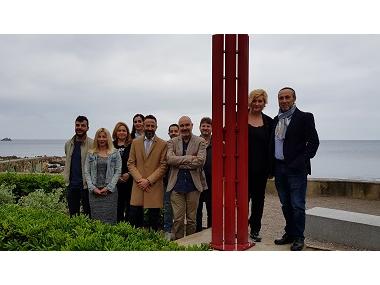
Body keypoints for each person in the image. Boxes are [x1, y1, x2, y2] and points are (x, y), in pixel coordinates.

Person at [271, 87, 319, 251]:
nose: (284, 100)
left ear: (294, 99)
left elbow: (314, 142)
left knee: (297, 204)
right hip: (279, 167)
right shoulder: (275, 120)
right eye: (281, 98)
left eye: (287, 97)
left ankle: (299, 237)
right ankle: (290, 233)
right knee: (285, 204)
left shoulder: (305, 117)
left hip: (296, 169)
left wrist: (302, 160)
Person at [167, 116, 207, 240]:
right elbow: (169, 159)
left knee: (191, 219)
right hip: (176, 185)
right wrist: (190, 158)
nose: (184, 128)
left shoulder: (200, 141)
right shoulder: (172, 142)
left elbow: (200, 162)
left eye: (187, 125)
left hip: (193, 185)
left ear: (192, 125)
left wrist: (179, 161)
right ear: (179, 127)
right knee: (178, 219)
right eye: (182, 126)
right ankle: (178, 243)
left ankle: (190, 243)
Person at [127, 115, 167, 231]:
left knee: (154, 221)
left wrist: (148, 181)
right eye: (147, 125)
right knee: (134, 219)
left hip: (153, 186)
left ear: (156, 127)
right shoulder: (135, 142)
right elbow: (131, 163)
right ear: (143, 126)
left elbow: (163, 165)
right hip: (138, 185)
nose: (150, 128)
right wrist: (141, 180)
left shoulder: (163, 144)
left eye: (152, 126)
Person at [247, 89, 274, 242]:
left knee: (259, 201)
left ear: (264, 103)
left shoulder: (269, 122)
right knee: (243, 200)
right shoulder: (239, 118)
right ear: (250, 102)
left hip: (261, 169)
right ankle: (241, 227)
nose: (257, 104)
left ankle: (255, 229)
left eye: (260, 101)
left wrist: (271, 169)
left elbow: (272, 147)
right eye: (254, 101)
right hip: (243, 169)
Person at [84, 128, 122, 224]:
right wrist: (92, 188)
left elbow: (118, 171)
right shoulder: (91, 153)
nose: (101, 139)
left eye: (104, 137)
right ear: (96, 138)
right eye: (99, 137)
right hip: (94, 193)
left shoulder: (115, 153)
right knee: (96, 222)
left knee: (110, 221)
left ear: (108, 138)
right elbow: (86, 172)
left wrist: (109, 188)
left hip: (110, 193)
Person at [64, 115, 93, 217]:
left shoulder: (93, 144)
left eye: (83, 125)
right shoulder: (68, 144)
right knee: (73, 215)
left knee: (88, 215)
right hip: (71, 185)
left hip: (87, 186)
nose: (79, 127)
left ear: (87, 128)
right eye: (77, 125)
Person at [112, 122, 133, 222]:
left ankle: (128, 227)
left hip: (129, 180)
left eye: (124, 130)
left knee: (129, 205)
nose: (121, 132)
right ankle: (118, 226)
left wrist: (129, 174)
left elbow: (136, 162)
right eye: (119, 130)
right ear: (116, 132)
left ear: (127, 133)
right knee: (117, 205)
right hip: (114, 181)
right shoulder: (111, 145)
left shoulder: (132, 145)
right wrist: (116, 177)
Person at [163, 123, 180, 240]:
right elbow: (166, 161)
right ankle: (167, 232)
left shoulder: (182, 146)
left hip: (180, 182)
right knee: (168, 207)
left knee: (179, 211)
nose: (173, 133)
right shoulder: (165, 146)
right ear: (168, 133)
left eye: (175, 131)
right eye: (171, 131)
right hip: (167, 182)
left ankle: (177, 232)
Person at [196, 117, 212, 232]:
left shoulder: (219, 142)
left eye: (208, 126)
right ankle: (197, 231)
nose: (205, 128)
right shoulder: (195, 142)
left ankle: (211, 230)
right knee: (197, 208)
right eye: (203, 126)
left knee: (212, 208)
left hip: (212, 181)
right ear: (199, 127)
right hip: (197, 180)